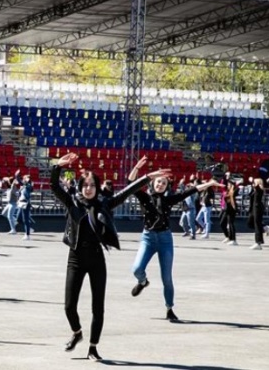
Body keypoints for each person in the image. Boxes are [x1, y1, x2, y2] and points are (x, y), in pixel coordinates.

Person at [51, 152, 167, 362]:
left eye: (92, 185)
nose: (88, 188)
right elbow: (54, 187)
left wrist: (147, 177)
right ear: (80, 187)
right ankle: (77, 333)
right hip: (75, 259)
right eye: (85, 185)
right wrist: (58, 166)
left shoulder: (104, 204)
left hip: (96, 260)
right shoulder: (72, 203)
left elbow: (127, 192)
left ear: (97, 188)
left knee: (98, 308)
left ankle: (93, 348)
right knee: (69, 306)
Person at [127, 156, 222, 323]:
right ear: (153, 183)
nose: (160, 185)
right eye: (158, 182)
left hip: (165, 239)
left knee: (167, 278)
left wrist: (209, 183)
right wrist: (138, 167)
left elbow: (191, 191)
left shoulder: (169, 200)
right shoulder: (145, 197)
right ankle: (142, 282)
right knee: (136, 269)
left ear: (166, 186)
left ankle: (169, 308)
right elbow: (131, 183)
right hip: (148, 238)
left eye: (163, 183)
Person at [16, 172, 35, 240]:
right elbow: (18, 180)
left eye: (24, 178)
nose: (23, 179)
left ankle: (27, 235)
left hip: (26, 204)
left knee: (25, 219)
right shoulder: (23, 185)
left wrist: (27, 181)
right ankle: (29, 228)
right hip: (21, 204)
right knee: (18, 218)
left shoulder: (29, 185)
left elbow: (30, 188)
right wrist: (17, 174)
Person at [248, 178, 266, 250]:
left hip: (257, 208)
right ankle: (264, 228)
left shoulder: (259, 189)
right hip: (254, 208)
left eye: (254, 183)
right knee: (251, 223)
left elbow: (257, 187)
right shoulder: (255, 190)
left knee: (257, 225)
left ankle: (258, 242)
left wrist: (251, 180)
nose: (253, 184)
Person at [220, 180, 239, 246]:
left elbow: (237, 190)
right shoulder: (228, 191)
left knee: (231, 224)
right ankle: (228, 236)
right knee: (222, 223)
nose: (227, 186)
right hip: (226, 209)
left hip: (231, 210)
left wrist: (235, 185)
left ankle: (233, 240)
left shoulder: (233, 192)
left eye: (229, 185)